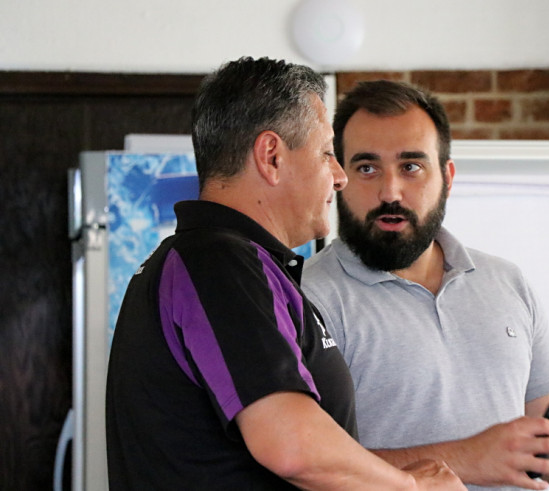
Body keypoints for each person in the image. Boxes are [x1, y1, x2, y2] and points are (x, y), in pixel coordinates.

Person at [105, 57, 466, 491]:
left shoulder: (230, 264)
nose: (339, 177)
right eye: (327, 153)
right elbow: (292, 445)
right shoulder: (218, 263)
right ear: (271, 156)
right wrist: (412, 488)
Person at [302, 80, 549, 491]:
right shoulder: (304, 298)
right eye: (367, 168)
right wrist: (467, 457)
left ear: (447, 177)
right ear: (339, 177)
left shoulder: (507, 282)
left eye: (411, 167)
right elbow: (304, 469)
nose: (390, 191)